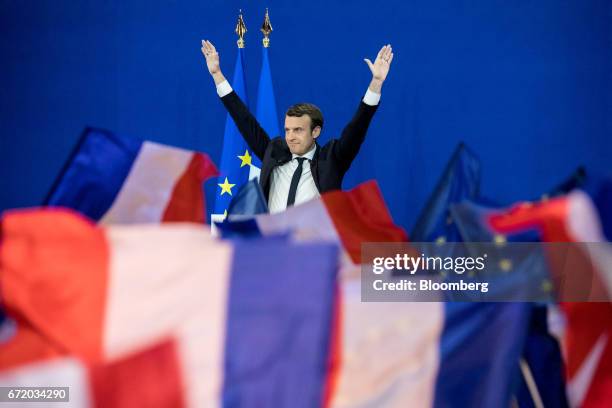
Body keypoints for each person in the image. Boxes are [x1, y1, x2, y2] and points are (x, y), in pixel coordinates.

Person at [201, 40, 394, 213]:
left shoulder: (332, 159)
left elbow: (357, 128)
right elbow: (244, 120)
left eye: (298, 130)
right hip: (271, 244)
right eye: (287, 130)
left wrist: (376, 83)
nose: (290, 136)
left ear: (316, 131)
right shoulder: (274, 151)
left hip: (313, 246)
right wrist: (218, 75)